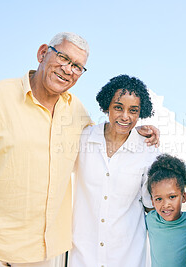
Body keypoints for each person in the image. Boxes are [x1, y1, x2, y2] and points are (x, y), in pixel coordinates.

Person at [0, 33, 159, 267]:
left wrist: (139, 131)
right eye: (63, 58)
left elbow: (111, 135)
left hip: (42, 252)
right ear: (42, 53)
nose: (68, 69)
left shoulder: (76, 112)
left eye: (77, 66)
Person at [69, 74, 159, 267]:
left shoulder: (147, 149)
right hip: (83, 256)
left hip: (128, 258)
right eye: (118, 107)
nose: (125, 116)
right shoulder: (83, 139)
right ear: (106, 106)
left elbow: (152, 205)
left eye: (133, 110)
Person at [146, 153, 186, 267]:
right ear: (152, 200)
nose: (166, 204)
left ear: (183, 197)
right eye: (159, 199)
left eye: (172, 197)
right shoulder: (150, 220)